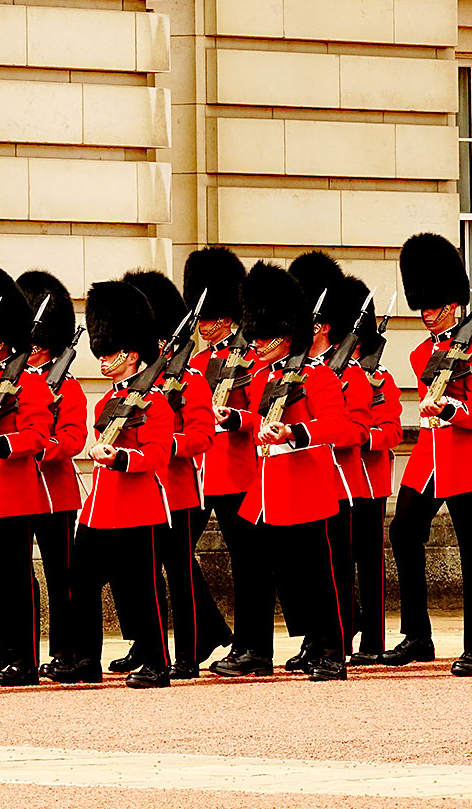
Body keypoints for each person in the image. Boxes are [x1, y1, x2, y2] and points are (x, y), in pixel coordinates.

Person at [212, 261, 350, 682]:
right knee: (257, 572)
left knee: (315, 577)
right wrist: (235, 420)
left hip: (305, 486)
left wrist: (295, 431)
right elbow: (258, 423)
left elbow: (339, 427)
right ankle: (255, 650)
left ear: (286, 336)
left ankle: (330, 651)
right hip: (267, 491)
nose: (255, 343)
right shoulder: (260, 378)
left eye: (263, 337)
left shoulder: (320, 376)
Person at [380, 233, 472, 678]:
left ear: (452, 305)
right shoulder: (422, 354)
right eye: (423, 307)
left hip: (466, 458)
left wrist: (451, 406)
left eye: (432, 307)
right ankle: (417, 634)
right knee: (403, 532)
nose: (426, 315)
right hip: (428, 458)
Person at [45, 280, 173, 689]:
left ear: (132, 353)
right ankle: (86, 659)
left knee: (143, 590)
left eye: (111, 353)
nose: (103, 361)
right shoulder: (105, 402)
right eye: (100, 353)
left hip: (139, 509)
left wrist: (120, 458)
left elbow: (156, 455)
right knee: (80, 585)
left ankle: (157, 662)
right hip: (99, 512)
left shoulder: (156, 401)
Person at [114, 269, 227, 679]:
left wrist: (163, 446)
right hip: (138, 489)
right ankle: (148, 643)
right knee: (138, 571)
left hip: (177, 490)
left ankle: (188, 651)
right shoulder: (133, 383)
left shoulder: (188, 379)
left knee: (178, 572)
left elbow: (202, 436)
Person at [0, 263, 54, 687]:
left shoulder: (30, 383)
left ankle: (24, 658)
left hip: (13, 491)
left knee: (13, 577)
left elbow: (37, 435)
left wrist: (2, 444)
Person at [285, 252, 369, 672]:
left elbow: (349, 429)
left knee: (332, 571)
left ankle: (334, 646)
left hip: (339, 480)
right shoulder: (296, 372)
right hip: (301, 480)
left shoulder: (344, 374)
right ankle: (314, 639)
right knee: (302, 571)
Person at [183, 246, 259, 676]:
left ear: (227, 317)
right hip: (199, 474)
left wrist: (233, 419)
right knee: (173, 553)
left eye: (208, 317)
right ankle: (204, 631)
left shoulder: (248, 358)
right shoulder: (194, 363)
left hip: (236, 470)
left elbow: (262, 412)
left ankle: (249, 646)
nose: (202, 324)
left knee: (248, 563)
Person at [17, 270, 87, 678]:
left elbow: (74, 438)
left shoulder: (69, 388)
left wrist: (45, 446)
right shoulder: (14, 385)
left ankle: (67, 651)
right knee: (19, 574)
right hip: (19, 492)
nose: (34, 352)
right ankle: (18, 649)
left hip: (55, 493)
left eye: (40, 346)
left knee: (62, 577)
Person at [346, 275, 404, 665]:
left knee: (368, 563)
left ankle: (373, 639)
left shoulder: (379, 379)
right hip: (335, 481)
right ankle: (343, 624)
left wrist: (361, 437)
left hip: (368, 480)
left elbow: (391, 430)